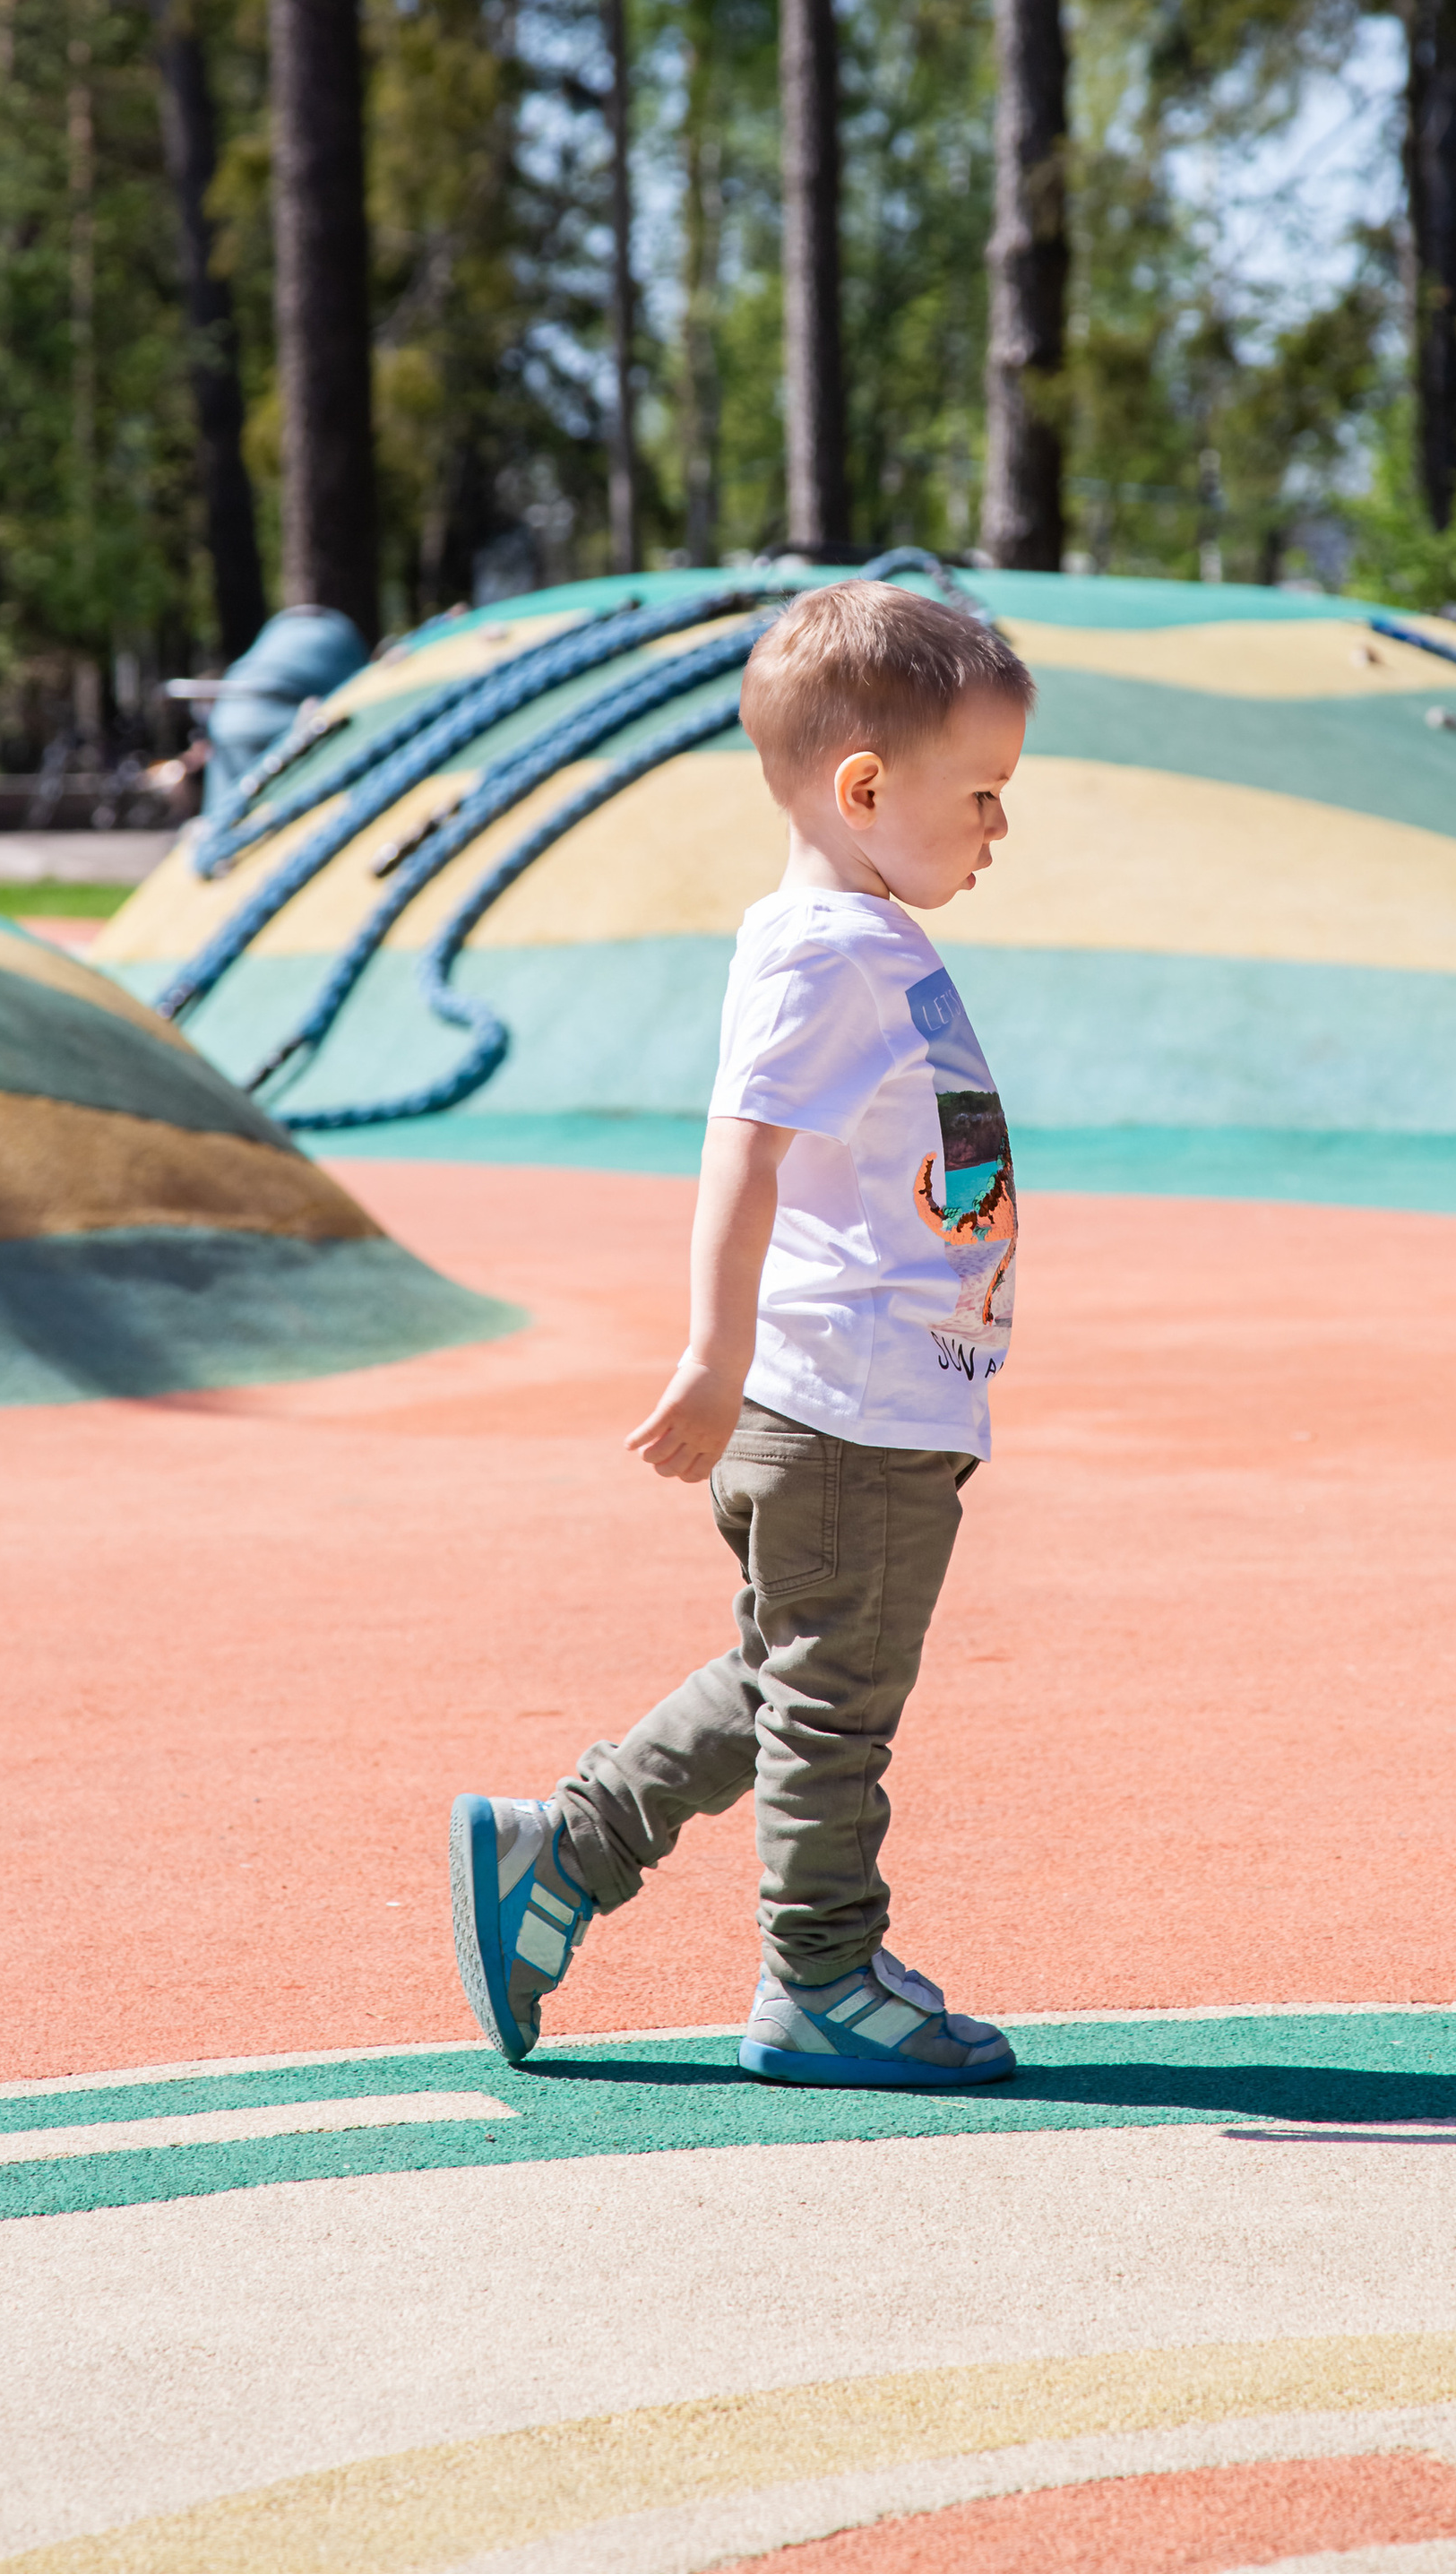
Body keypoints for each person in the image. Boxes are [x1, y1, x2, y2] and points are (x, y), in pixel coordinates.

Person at [451, 578, 1036, 2089]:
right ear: (863, 788)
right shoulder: (824, 949)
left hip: (880, 1406)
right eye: (980, 794)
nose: (997, 828)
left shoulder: (866, 942)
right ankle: (821, 1972)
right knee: (834, 1708)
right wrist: (713, 1356)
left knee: (789, 1672)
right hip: (840, 1412)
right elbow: (744, 1148)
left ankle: (563, 1854)